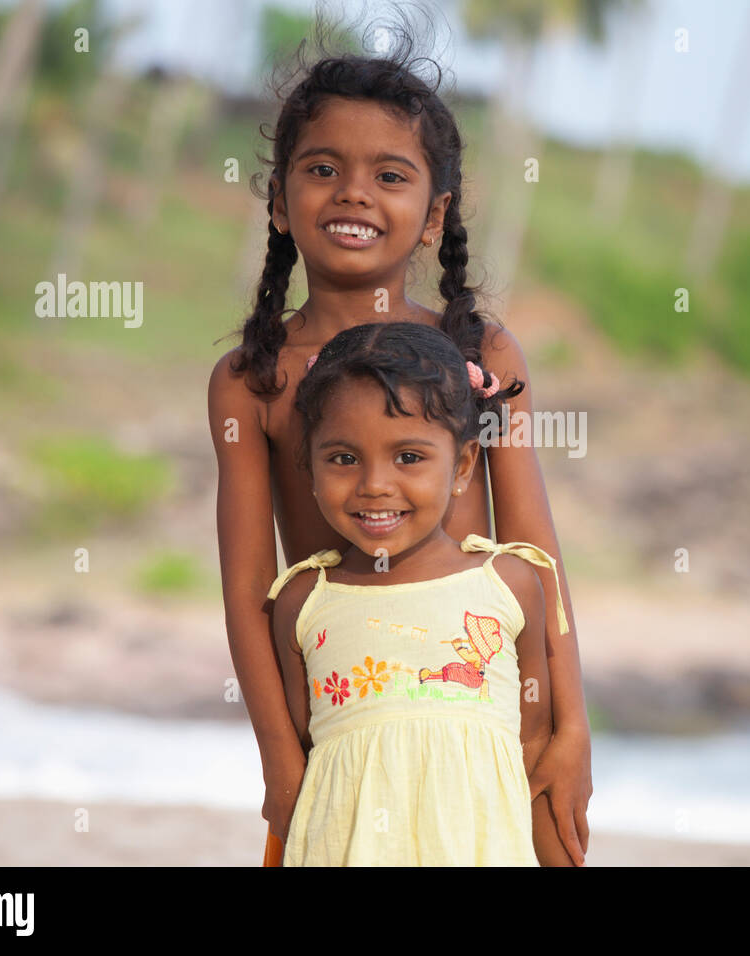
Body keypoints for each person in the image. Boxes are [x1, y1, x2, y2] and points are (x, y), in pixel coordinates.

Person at [209, 14, 590, 866]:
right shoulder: (254, 379)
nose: (353, 193)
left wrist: (572, 727)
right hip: (337, 724)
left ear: (432, 213)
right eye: (321, 170)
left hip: (484, 721)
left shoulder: (480, 354)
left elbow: (534, 557)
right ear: (278, 199)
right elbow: (246, 592)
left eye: (389, 174)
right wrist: (278, 754)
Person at [265, 321, 572, 865]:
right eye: (343, 458)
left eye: (408, 457)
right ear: (307, 468)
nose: (375, 484)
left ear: (462, 466)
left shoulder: (506, 584)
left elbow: (534, 745)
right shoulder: (304, 603)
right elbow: (308, 757)